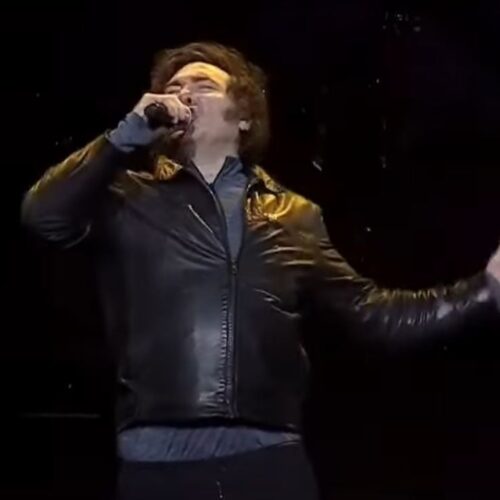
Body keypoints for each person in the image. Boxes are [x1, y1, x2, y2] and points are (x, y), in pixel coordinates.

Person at [21, 41, 500, 500]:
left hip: (266, 461)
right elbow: (43, 216)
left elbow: (373, 313)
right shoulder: (129, 197)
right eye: (173, 88)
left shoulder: (295, 216)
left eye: (203, 86)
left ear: (245, 116)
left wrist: (485, 290)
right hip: (156, 464)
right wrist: (124, 136)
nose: (182, 94)